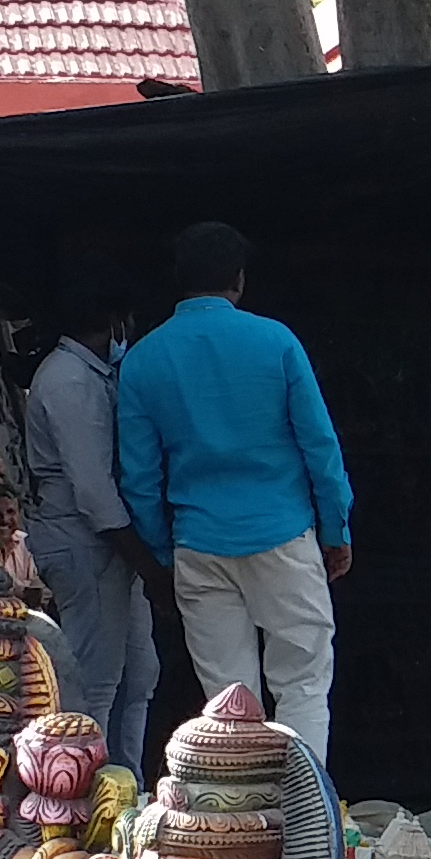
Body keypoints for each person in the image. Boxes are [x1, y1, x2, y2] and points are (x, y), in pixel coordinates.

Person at [114, 222, 350, 760]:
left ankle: (245, 825)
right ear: (238, 280)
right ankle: (304, 815)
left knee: (228, 702)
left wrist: (160, 553)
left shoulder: (144, 360)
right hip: (284, 537)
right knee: (304, 683)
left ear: (179, 280)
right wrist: (336, 528)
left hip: (199, 545)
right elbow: (320, 445)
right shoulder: (276, 342)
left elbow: (140, 478)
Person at [20, 299, 160, 755]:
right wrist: (149, 563)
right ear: (116, 321)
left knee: (139, 676)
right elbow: (94, 493)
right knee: (93, 684)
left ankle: (127, 789)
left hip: (109, 548)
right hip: (86, 543)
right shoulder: (69, 380)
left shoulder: (92, 375)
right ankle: (82, 800)